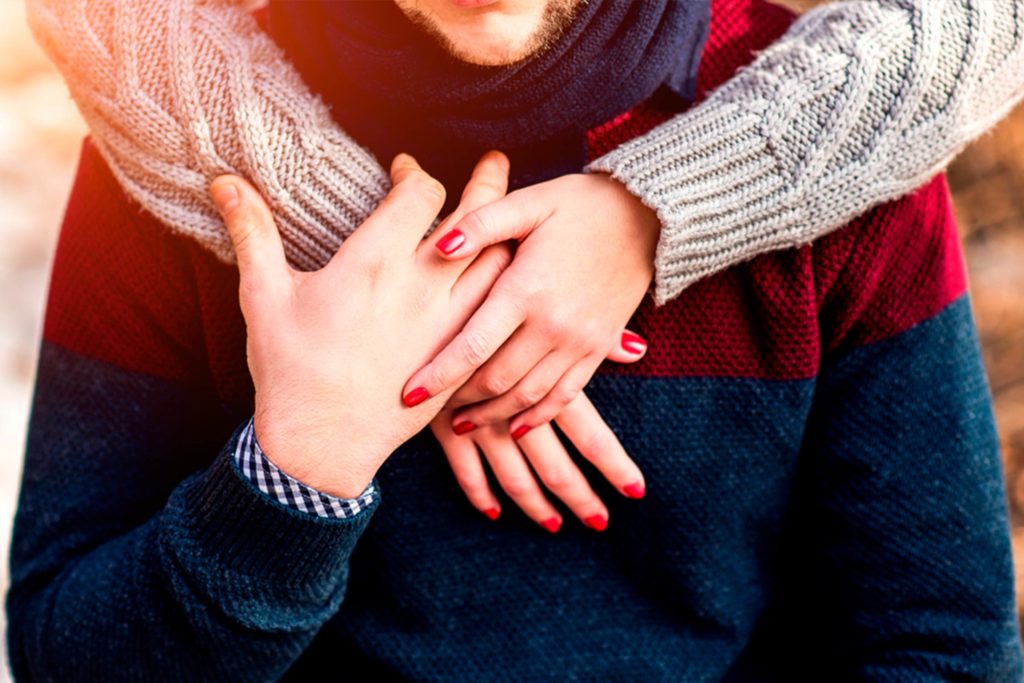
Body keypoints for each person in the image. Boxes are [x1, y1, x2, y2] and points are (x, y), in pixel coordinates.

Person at [6, 0, 1023, 679]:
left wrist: (656, 205)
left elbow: (940, 647)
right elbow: (60, 649)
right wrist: (294, 470)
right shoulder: (182, 152)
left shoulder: (838, 146)